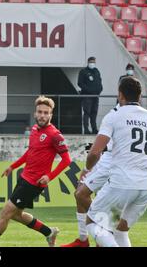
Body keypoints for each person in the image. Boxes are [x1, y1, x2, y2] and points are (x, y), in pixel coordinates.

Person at [0, 96, 72, 247]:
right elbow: (30, 152)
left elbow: (66, 160)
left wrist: (49, 176)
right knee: (16, 215)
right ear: (35, 113)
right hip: (24, 178)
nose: (42, 115)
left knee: (6, 213)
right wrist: (13, 166)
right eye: (40, 112)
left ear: (51, 115)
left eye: (46, 113)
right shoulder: (35, 129)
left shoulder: (55, 135)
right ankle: (48, 232)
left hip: (34, 183)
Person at [85, 77, 147, 247]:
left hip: (122, 183)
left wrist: (88, 168)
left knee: (92, 221)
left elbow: (95, 152)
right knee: (119, 229)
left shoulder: (114, 116)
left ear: (120, 95)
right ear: (140, 96)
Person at [61, 104, 119, 247]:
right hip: (103, 158)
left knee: (82, 195)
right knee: (80, 193)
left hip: (113, 163)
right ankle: (83, 239)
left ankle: (105, 231)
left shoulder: (119, 114)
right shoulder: (116, 112)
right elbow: (101, 144)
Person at [78, 57, 103, 134]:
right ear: (88, 62)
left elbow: (99, 81)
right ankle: (86, 129)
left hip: (96, 96)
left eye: (94, 62)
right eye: (91, 62)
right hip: (87, 96)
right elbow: (80, 83)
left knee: (94, 112)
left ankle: (94, 128)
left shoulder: (96, 71)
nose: (92, 63)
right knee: (87, 112)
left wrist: (100, 89)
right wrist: (89, 90)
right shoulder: (83, 71)